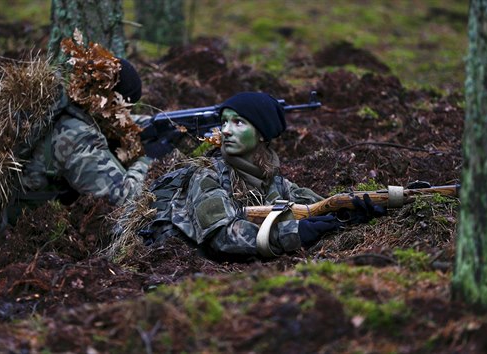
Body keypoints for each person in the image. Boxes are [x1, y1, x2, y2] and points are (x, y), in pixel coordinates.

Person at [0, 57, 151, 292]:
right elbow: (124, 198)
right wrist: (145, 159)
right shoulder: (76, 136)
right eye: (124, 109)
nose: (125, 119)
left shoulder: (46, 105)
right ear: (109, 103)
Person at [139, 92, 385, 260]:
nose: (225, 130)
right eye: (224, 122)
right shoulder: (207, 176)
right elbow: (222, 235)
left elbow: (320, 208)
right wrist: (293, 234)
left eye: (238, 123)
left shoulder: (276, 182)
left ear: (262, 134)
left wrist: (353, 214)